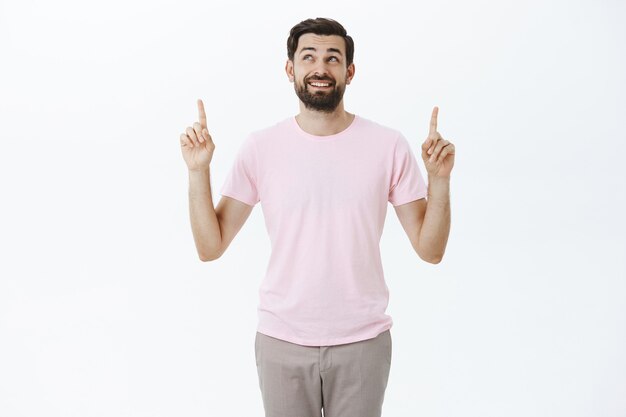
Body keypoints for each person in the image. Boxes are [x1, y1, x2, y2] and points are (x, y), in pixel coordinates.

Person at [180, 17, 454, 417]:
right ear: (291, 69)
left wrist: (440, 181)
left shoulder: (388, 146)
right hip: (281, 342)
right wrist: (197, 171)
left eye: (332, 58)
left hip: (363, 342)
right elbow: (210, 246)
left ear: (350, 71)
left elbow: (430, 250)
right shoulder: (261, 147)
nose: (320, 68)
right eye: (308, 57)